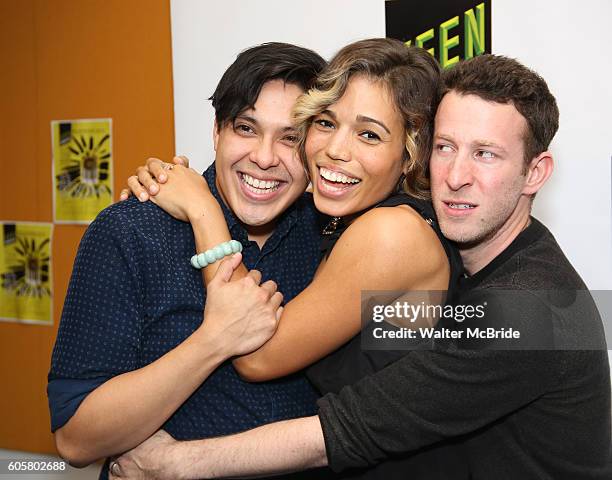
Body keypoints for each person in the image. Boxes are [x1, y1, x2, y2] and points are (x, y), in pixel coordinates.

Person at [110, 54, 611, 479]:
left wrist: (171, 464)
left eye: (486, 155)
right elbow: (401, 341)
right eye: (446, 147)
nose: (457, 176)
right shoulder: (461, 261)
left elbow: (332, 420)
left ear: (535, 172)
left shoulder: (521, 308)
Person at [119, 38, 467, 479]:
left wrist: (202, 209)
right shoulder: (334, 219)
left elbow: (256, 354)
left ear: (408, 156)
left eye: (369, 134)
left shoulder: (391, 234)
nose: (335, 149)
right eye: (326, 122)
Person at [47, 42, 329, 480]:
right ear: (217, 132)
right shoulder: (131, 232)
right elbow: (76, 439)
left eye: (291, 138)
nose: (265, 157)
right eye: (247, 128)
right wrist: (213, 341)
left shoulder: (334, 238)